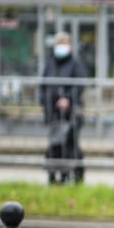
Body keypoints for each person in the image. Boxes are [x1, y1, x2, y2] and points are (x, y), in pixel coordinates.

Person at [40, 31, 88, 184]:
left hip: (71, 113)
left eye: (64, 44)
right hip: (54, 113)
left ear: (70, 46)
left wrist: (67, 99)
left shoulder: (75, 63)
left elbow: (79, 85)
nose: (61, 47)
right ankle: (54, 175)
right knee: (55, 145)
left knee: (70, 145)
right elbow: (44, 86)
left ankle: (74, 174)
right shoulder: (50, 63)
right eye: (58, 44)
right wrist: (46, 102)